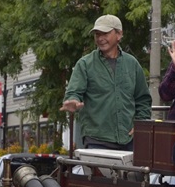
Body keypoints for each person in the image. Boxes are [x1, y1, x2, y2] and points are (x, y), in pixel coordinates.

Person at [61, 14, 152, 151]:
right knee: (98, 173)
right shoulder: (85, 64)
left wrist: (141, 124)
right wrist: (73, 101)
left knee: (134, 173)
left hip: (129, 140)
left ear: (119, 34)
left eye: (105, 33)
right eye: (97, 34)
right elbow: (74, 92)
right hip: (96, 139)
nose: (100, 38)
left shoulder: (132, 64)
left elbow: (143, 99)